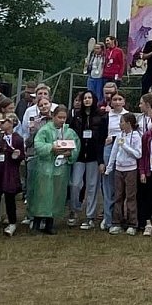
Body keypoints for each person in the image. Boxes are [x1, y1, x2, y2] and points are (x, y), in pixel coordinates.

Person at [29, 105, 79, 235]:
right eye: (59, 117)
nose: (62, 120)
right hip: (45, 168)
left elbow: (76, 147)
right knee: (42, 194)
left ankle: (50, 223)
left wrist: (70, 153)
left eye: (64, 118)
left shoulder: (69, 132)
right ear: (53, 117)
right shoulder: (45, 130)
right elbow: (38, 145)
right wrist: (51, 148)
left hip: (60, 169)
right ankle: (37, 222)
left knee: (56, 195)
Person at [69, 90, 105, 229]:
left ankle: (90, 216)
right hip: (79, 155)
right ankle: (74, 210)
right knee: (75, 184)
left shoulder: (101, 117)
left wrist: (101, 159)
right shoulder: (76, 116)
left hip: (93, 156)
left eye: (89, 97)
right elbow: (71, 134)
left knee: (92, 186)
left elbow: (102, 138)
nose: (87, 100)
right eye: (85, 98)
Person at [107, 111, 142, 235]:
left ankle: (132, 223)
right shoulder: (119, 135)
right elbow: (114, 152)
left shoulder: (136, 136)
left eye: (121, 122)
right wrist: (109, 167)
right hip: (119, 169)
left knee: (131, 196)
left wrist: (125, 146)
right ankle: (117, 222)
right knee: (118, 196)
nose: (120, 124)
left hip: (130, 169)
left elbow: (138, 154)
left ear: (128, 123)